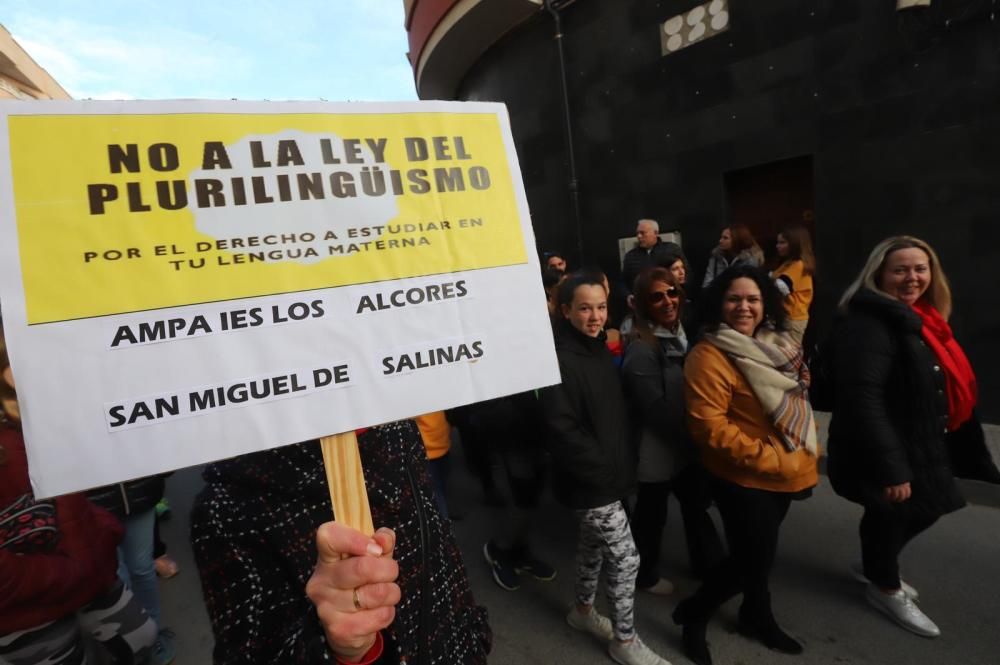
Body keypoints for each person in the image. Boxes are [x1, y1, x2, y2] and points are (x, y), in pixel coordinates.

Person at [191, 420, 491, 665]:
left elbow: (437, 547)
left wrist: (468, 630)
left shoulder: (397, 429)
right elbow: (251, 652)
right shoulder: (228, 506)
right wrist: (341, 649)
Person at [827, 235, 999, 638]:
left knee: (912, 509)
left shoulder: (923, 318)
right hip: (886, 446)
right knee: (908, 509)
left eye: (920, 268)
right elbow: (862, 399)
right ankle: (884, 586)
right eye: (900, 269)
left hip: (919, 438)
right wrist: (892, 468)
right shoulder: (870, 325)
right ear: (879, 275)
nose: (912, 277)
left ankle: (874, 565)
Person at [672, 265, 819, 665]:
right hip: (743, 478)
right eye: (734, 298)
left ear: (765, 303)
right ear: (720, 303)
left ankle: (756, 615)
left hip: (785, 470)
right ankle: (694, 614)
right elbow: (710, 428)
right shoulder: (709, 354)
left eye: (753, 299)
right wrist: (775, 460)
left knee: (756, 556)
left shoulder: (777, 343)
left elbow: (796, 399)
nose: (744, 307)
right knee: (751, 560)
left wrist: (797, 452)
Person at [0, 331, 157, 665]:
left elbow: (73, 503)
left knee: (140, 636)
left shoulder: (44, 413)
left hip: (90, 568)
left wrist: (102, 532)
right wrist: (73, 571)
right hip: (32, 611)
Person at [540, 272, 671, 665]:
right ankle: (624, 641)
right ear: (566, 310)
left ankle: (581, 613)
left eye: (600, 306)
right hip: (590, 482)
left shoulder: (597, 347)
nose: (595, 316)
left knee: (592, 549)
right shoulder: (558, 359)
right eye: (584, 308)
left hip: (607, 476)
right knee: (627, 558)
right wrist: (605, 474)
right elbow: (562, 429)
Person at [621, 268, 723, 596]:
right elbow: (655, 411)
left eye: (672, 292)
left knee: (696, 506)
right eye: (657, 296)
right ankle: (643, 574)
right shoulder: (641, 348)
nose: (667, 301)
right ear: (642, 304)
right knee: (651, 516)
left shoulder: (683, 333)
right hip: (656, 448)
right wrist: (698, 439)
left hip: (684, 442)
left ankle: (711, 567)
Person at [88, 474, 176, 664]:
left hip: (141, 494)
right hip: (93, 505)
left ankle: (152, 636)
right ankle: (125, 646)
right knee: (117, 577)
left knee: (142, 568)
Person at [771, 227, 815, 346]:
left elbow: (781, 287)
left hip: (792, 318)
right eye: (778, 242)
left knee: (789, 354)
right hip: (785, 315)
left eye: (782, 242)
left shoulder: (798, 265)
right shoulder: (788, 263)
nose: (777, 246)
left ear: (795, 244)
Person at [621, 219, 683, 294]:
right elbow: (624, 282)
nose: (639, 236)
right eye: (637, 233)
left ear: (656, 233)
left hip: (667, 297)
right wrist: (628, 295)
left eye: (643, 233)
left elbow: (686, 274)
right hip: (642, 301)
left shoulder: (672, 249)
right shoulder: (630, 256)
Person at [701, 224, 764, 289]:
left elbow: (748, 287)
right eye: (721, 237)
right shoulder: (717, 256)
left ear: (737, 239)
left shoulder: (750, 260)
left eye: (725, 238)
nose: (720, 241)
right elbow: (706, 284)